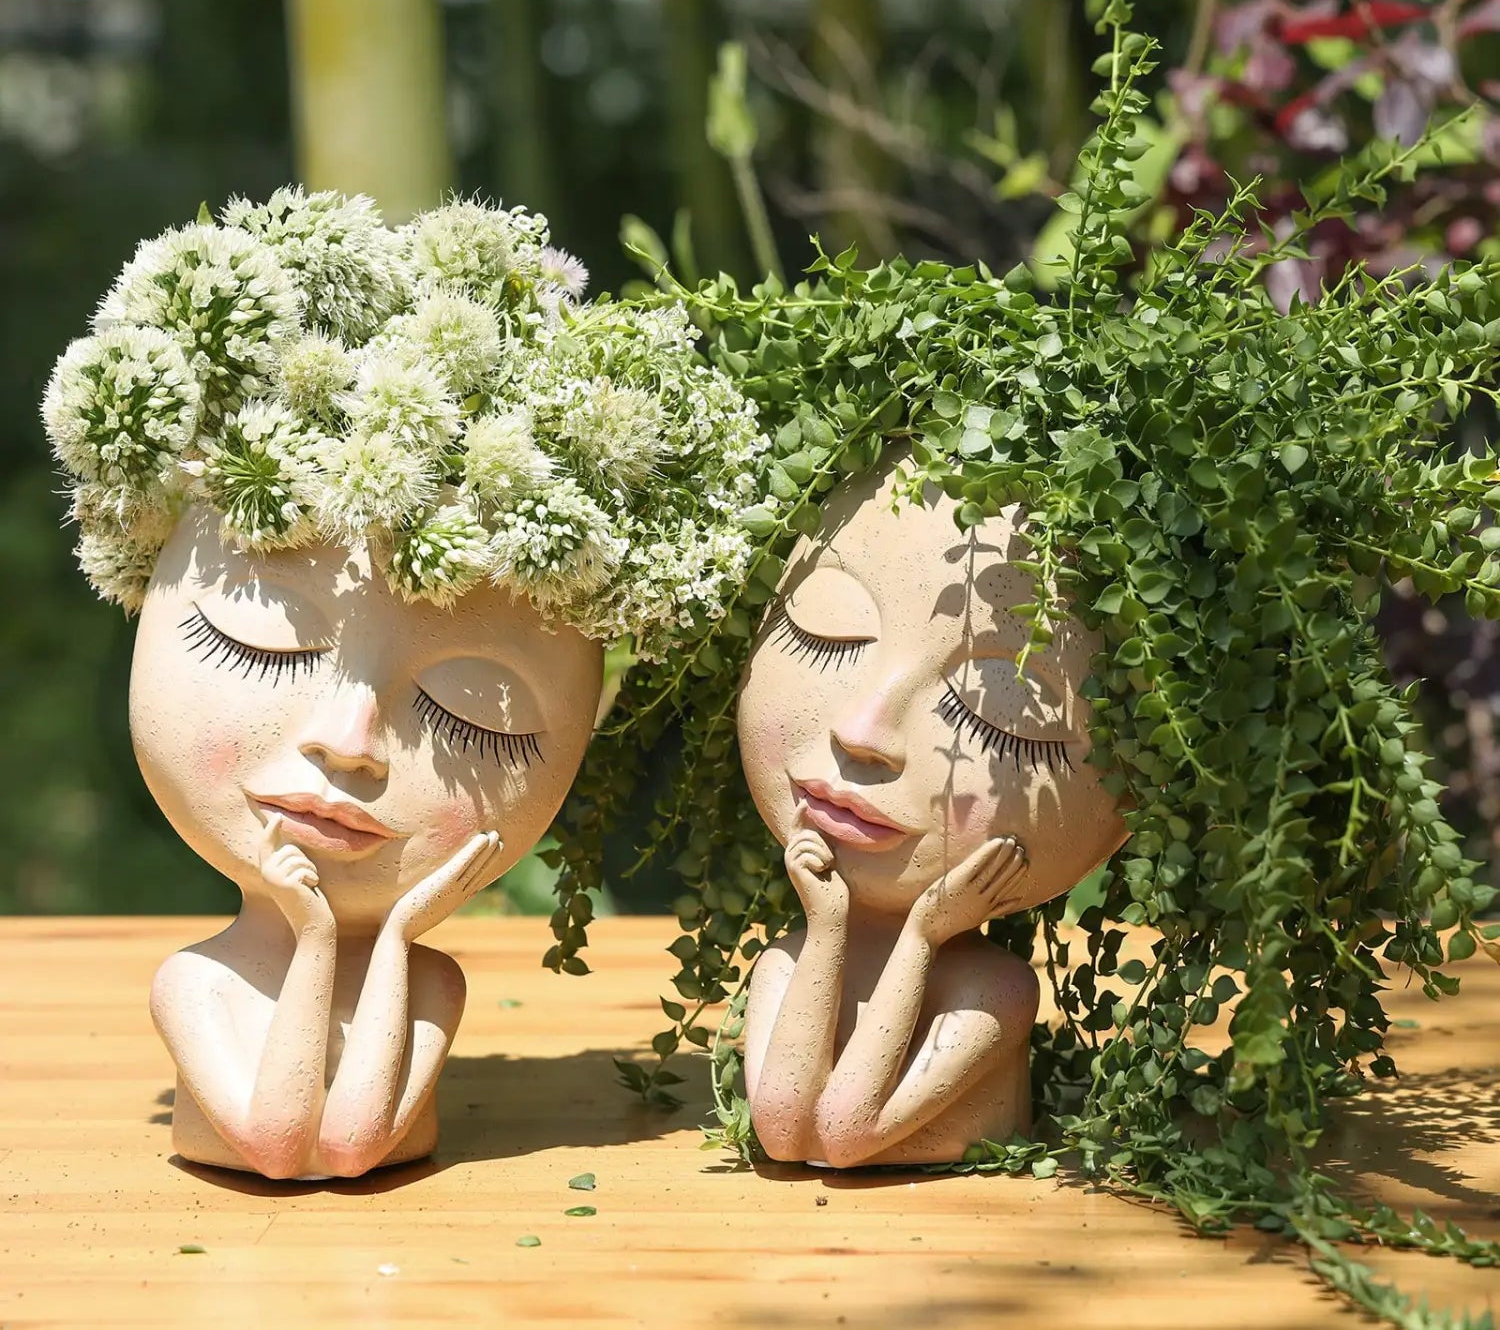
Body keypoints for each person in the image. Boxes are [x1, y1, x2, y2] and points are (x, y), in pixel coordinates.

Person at [41, 189, 763, 1176]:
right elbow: (282, 1138)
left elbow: (354, 1140)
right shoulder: (195, 983)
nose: (350, 738)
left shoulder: (428, 979)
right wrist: (322, 931)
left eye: (473, 711)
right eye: (263, 645)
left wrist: (377, 942)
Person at [738, 453, 1125, 1166]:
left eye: (992, 712)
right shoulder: (786, 962)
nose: (862, 732)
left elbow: (846, 1135)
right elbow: (784, 1130)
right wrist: (825, 931)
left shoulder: (992, 989)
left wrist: (921, 936)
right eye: (830, 633)